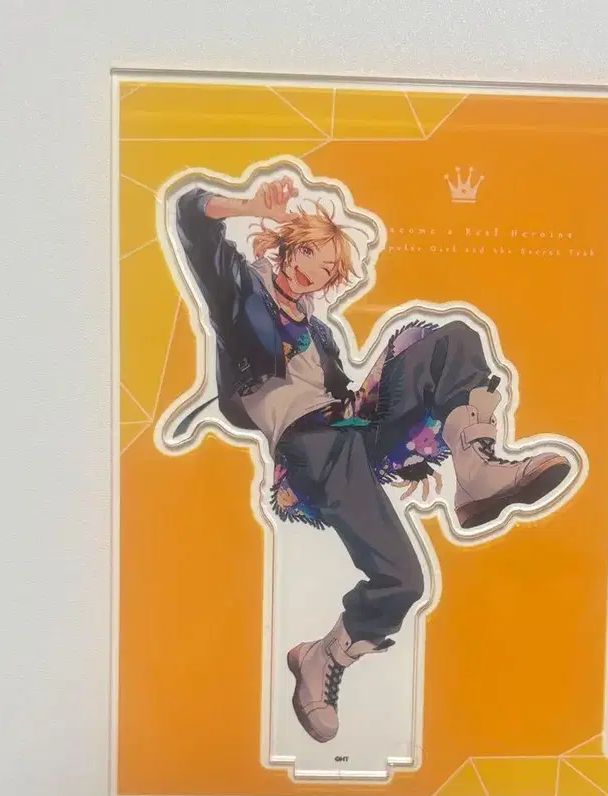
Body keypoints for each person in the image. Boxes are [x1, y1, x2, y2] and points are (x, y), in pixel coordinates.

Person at [175, 174, 575, 743]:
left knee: (454, 338)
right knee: (404, 580)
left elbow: (347, 399)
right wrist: (250, 204)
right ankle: (321, 659)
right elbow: (190, 214)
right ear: (291, 243)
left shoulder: (320, 334)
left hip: (349, 430)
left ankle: (477, 474)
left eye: (326, 270)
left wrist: (410, 442)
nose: (312, 273)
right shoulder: (241, 294)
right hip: (310, 446)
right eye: (311, 255)